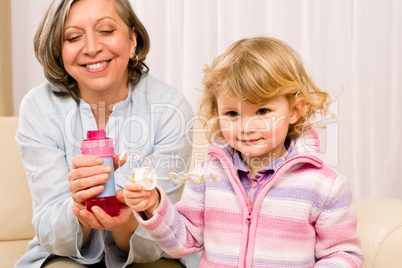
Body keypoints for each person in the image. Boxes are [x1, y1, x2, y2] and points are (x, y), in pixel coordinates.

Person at [123, 36, 365, 267]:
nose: (246, 126)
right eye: (232, 114)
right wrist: (154, 205)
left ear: (294, 110)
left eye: (262, 111)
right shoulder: (208, 175)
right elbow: (184, 242)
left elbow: (343, 253)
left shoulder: (325, 186)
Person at [15, 0, 199, 267]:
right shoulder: (38, 107)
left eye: (106, 31)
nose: (91, 48)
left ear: (132, 39)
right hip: (64, 255)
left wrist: (125, 223)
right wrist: (79, 209)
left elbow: (163, 239)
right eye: (73, 37)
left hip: (150, 256)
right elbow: (52, 236)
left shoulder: (170, 108)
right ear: (58, 49)